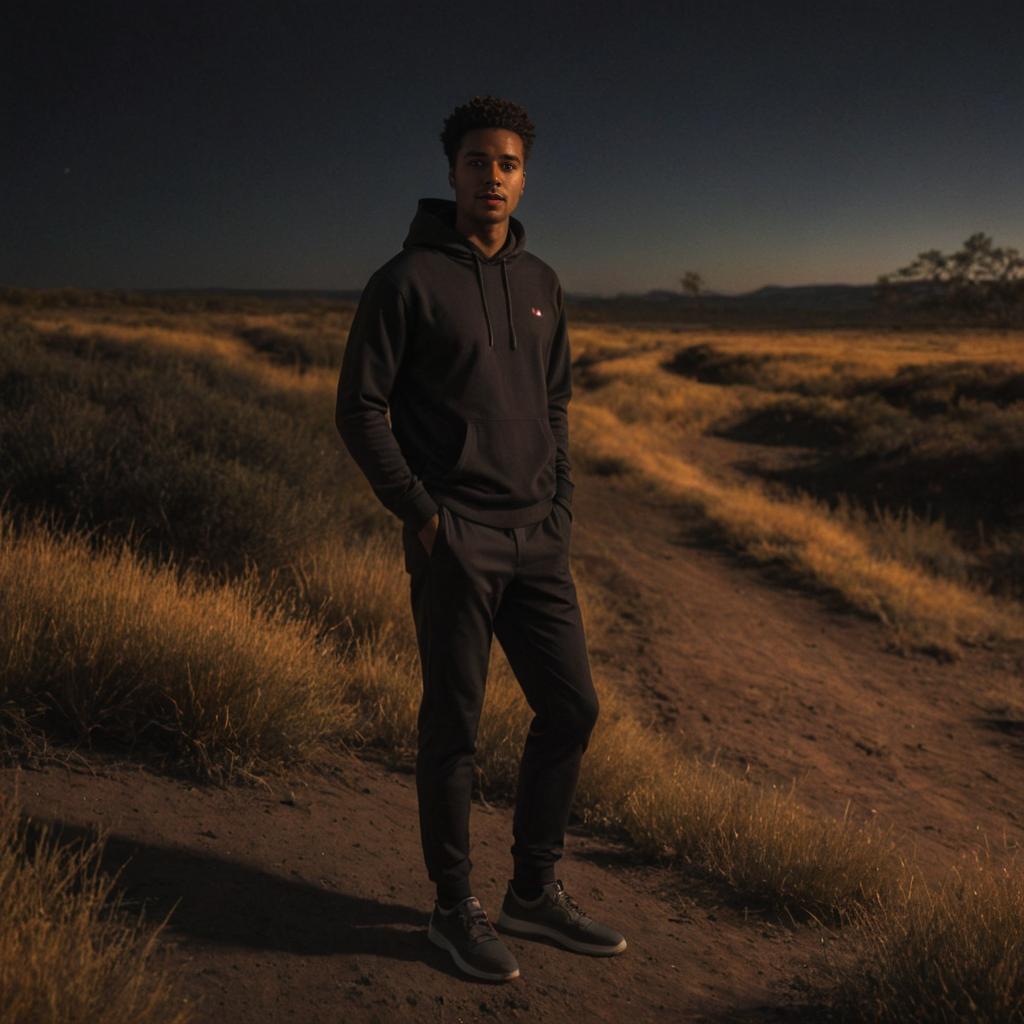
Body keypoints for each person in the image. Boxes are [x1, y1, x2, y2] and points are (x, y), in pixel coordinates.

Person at [335, 95, 626, 982]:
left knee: (572, 707)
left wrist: (560, 504)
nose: (490, 176)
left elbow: (557, 402)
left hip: (537, 538)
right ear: (451, 171)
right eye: (475, 161)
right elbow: (359, 407)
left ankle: (531, 894)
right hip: (456, 539)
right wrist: (425, 519)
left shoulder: (542, 283)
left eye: (506, 163)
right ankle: (451, 907)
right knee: (453, 729)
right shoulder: (406, 279)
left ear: (523, 175)